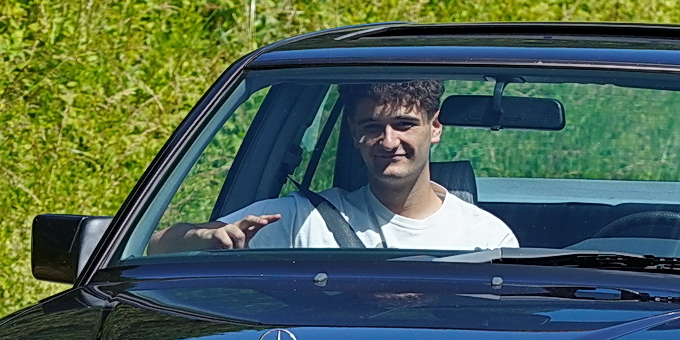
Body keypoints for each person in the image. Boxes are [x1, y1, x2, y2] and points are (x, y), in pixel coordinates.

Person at [148, 79, 517, 253]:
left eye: (404, 125)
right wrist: (204, 238)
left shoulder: (485, 240)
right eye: (373, 127)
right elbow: (154, 245)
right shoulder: (302, 221)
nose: (389, 142)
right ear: (354, 131)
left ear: (435, 128)